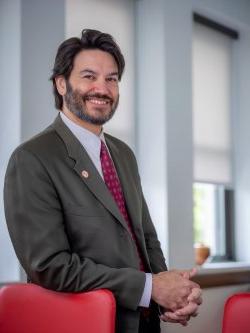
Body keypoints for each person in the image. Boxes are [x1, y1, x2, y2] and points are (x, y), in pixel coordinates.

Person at [4, 29, 201, 333]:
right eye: (88, 76)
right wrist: (150, 287)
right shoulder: (32, 158)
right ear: (61, 83)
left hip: (144, 323)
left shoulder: (123, 154)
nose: (102, 88)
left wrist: (169, 294)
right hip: (83, 324)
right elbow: (49, 267)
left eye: (111, 79)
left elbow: (145, 239)